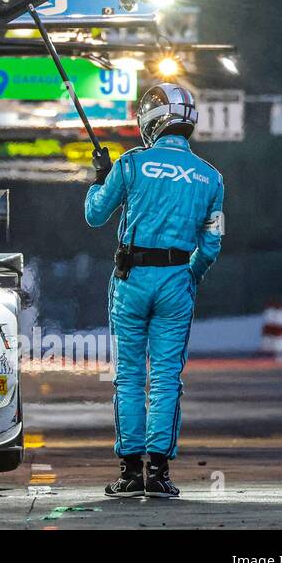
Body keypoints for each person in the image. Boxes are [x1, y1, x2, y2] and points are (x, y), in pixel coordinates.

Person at [86, 83, 225, 499]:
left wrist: (100, 177)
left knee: (128, 377)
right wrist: (190, 275)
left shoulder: (130, 164)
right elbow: (213, 244)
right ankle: (159, 474)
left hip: (131, 280)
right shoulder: (211, 177)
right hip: (176, 281)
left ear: (153, 121)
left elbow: (95, 215)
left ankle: (129, 474)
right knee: (166, 379)